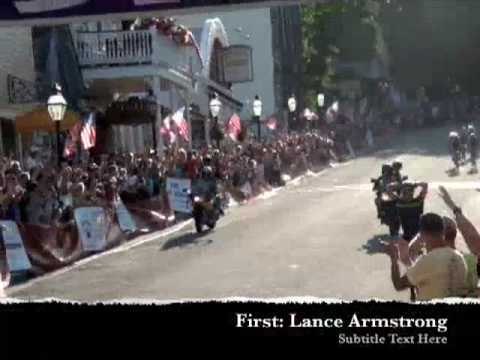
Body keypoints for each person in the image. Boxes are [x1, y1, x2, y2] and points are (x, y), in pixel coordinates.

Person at [384, 213, 468, 301]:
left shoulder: (428, 261)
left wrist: (394, 259)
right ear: (442, 231)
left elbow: (399, 285)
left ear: (422, 234)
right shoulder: (459, 258)